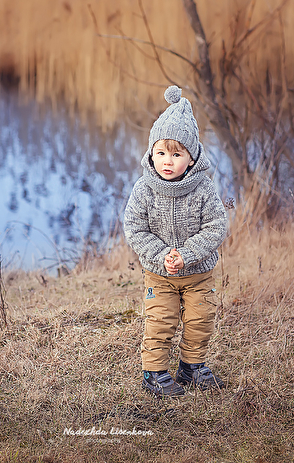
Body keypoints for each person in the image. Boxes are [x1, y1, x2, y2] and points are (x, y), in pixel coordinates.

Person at [123, 85, 229, 397]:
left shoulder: (204, 190)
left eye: (177, 153)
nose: (167, 160)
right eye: (161, 153)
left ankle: (191, 367)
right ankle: (154, 372)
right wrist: (161, 254)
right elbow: (134, 227)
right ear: (150, 154)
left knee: (201, 319)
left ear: (192, 157)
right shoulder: (144, 189)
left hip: (198, 273)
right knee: (161, 321)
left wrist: (188, 253)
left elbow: (215, 226)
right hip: (160, 273)